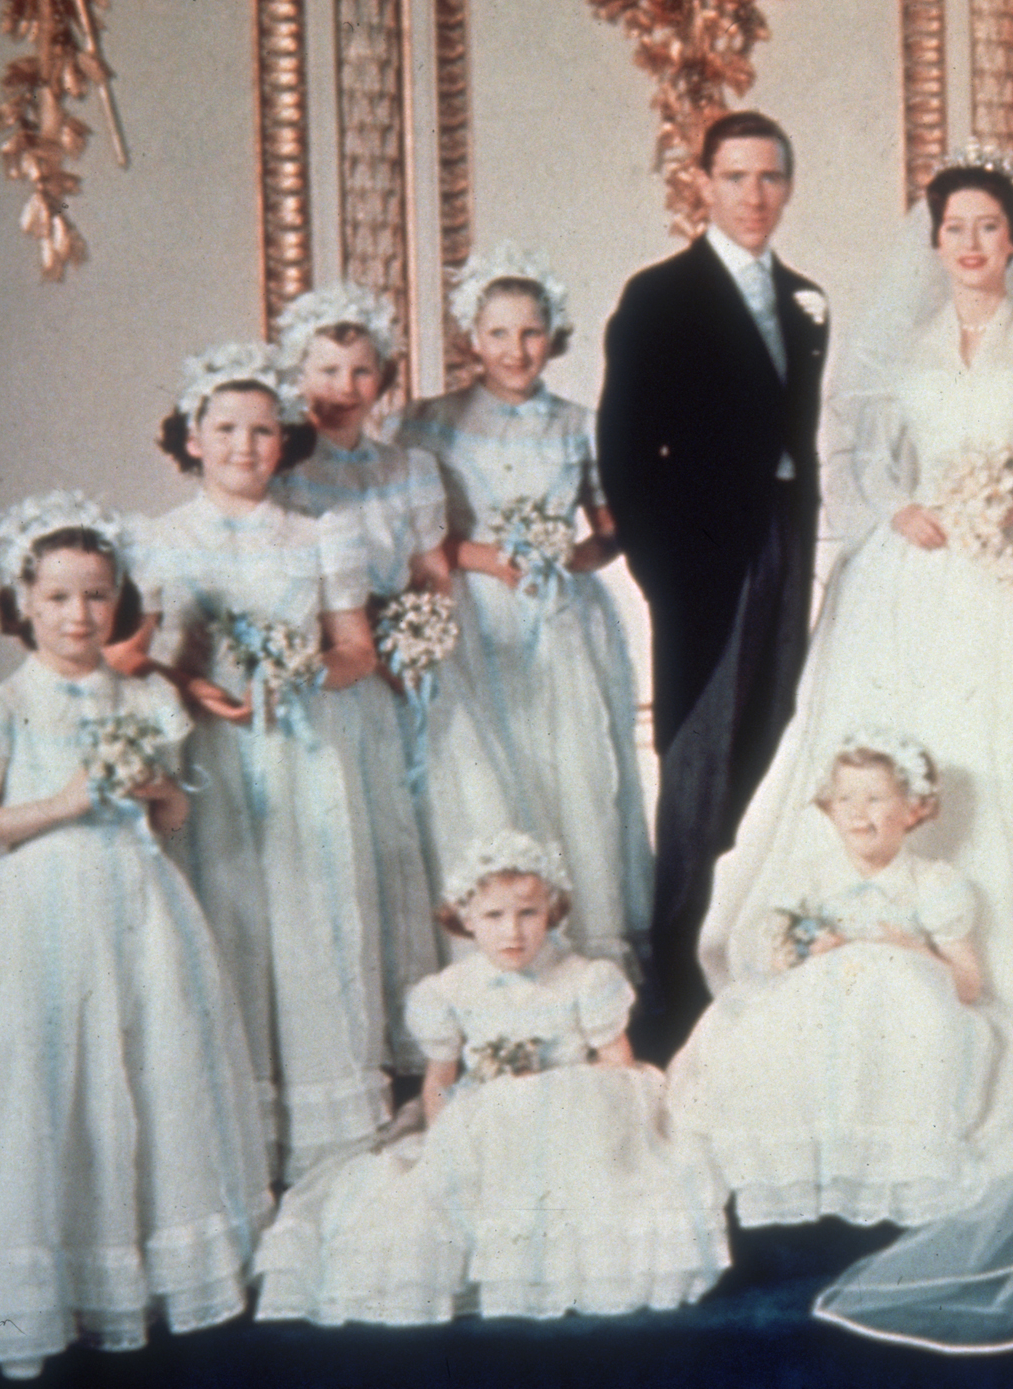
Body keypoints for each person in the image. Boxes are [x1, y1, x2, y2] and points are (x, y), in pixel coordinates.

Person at [696, 145, 1013, 1060]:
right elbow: (862, 456)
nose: (971, 244)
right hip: (919, 570)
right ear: (935, 243)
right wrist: (905, 509)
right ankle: (917, 946)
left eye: (988, 228)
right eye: (955, 230)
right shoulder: (905, 346)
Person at [0, 492, 269, 1379]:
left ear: (119, 602)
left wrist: (150, 791)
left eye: (97, 596)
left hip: (136, 896)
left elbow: (173, 812)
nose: (79, 615)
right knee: (45, 1078)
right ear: (23, 602)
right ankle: (43, 1285)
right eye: (58, 597)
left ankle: (145, 1271)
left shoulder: (143, 694)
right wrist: (64, 800)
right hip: (41, 903)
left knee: (152, 1066)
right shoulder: (1, 703)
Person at [254, 830, 729, 1324]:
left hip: (568, 1121)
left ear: (553, 913)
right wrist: (441, 1144)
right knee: (438, 1178)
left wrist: (611, 1128)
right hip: (484, 1127)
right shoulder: (450, 989)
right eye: (493, 916)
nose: (513, 933)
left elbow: (618, 1068)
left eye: (529, 914)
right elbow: (439, 1080)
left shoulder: (584, 978)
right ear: (464, 919)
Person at [126, 342, 391, 1181]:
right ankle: (229, 1127)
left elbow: (358, 650)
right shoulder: (155, 539)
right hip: (206, 754)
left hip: (300, 749)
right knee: (226, 915)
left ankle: (320, 1136)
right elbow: (132, 659)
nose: (247, 445)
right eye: (227, 429)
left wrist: (307, 666)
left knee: (312, 920)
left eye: (264, 430)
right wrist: (190, 683)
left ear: (284, 440)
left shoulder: (320, 534)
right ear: (192, 438)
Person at [597, 110, 829, 1056]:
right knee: (696, 760)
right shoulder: (660, 296)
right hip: (697, 559)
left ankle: (746, 953)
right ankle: (676, 985)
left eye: (771, 178)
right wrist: (660, 567)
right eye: (736, 178)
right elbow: (621, 445)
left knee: (770, 741)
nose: (755, 197)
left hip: (784, 539)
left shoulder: (807, 297)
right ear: (704, 184)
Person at [395, 243, 652, 971]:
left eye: (531, 333)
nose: (516, 350)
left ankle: (578, 946)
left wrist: (562, 558)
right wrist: (490, 560)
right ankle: (492, 949)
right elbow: (420, 536)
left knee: (570, 770)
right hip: (473, 613)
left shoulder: (578, 422)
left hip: (558, 619)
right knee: (487, 771)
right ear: (472, 337)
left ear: (553, 336)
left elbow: (610, 530)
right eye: (500, 333)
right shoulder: (430, 421)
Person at [668, 730, 1013, 1228]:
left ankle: (889, 1173)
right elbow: (774, 959)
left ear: (913, 810)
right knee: (759, 1031)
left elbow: (968, 985)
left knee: (905, 1000)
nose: (857, 812)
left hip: (896, 1026)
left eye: (876, 799)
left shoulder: (933, 884)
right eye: (845, 798)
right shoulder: (809, 877)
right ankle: (811, 1168)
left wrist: (913, 950)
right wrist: (806, 949)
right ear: (829, 808)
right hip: (819, 1016)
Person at [274, 282, 444, 1066]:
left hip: (392, 674)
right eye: (328, 371)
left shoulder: (409, 467)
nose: (344, 391)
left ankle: (408, 1037)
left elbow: (427, 570)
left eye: (362, 373)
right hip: (320, 675)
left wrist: (419, 637)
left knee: (395, 844)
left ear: (386, 380)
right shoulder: (277, 469)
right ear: (296, 374)